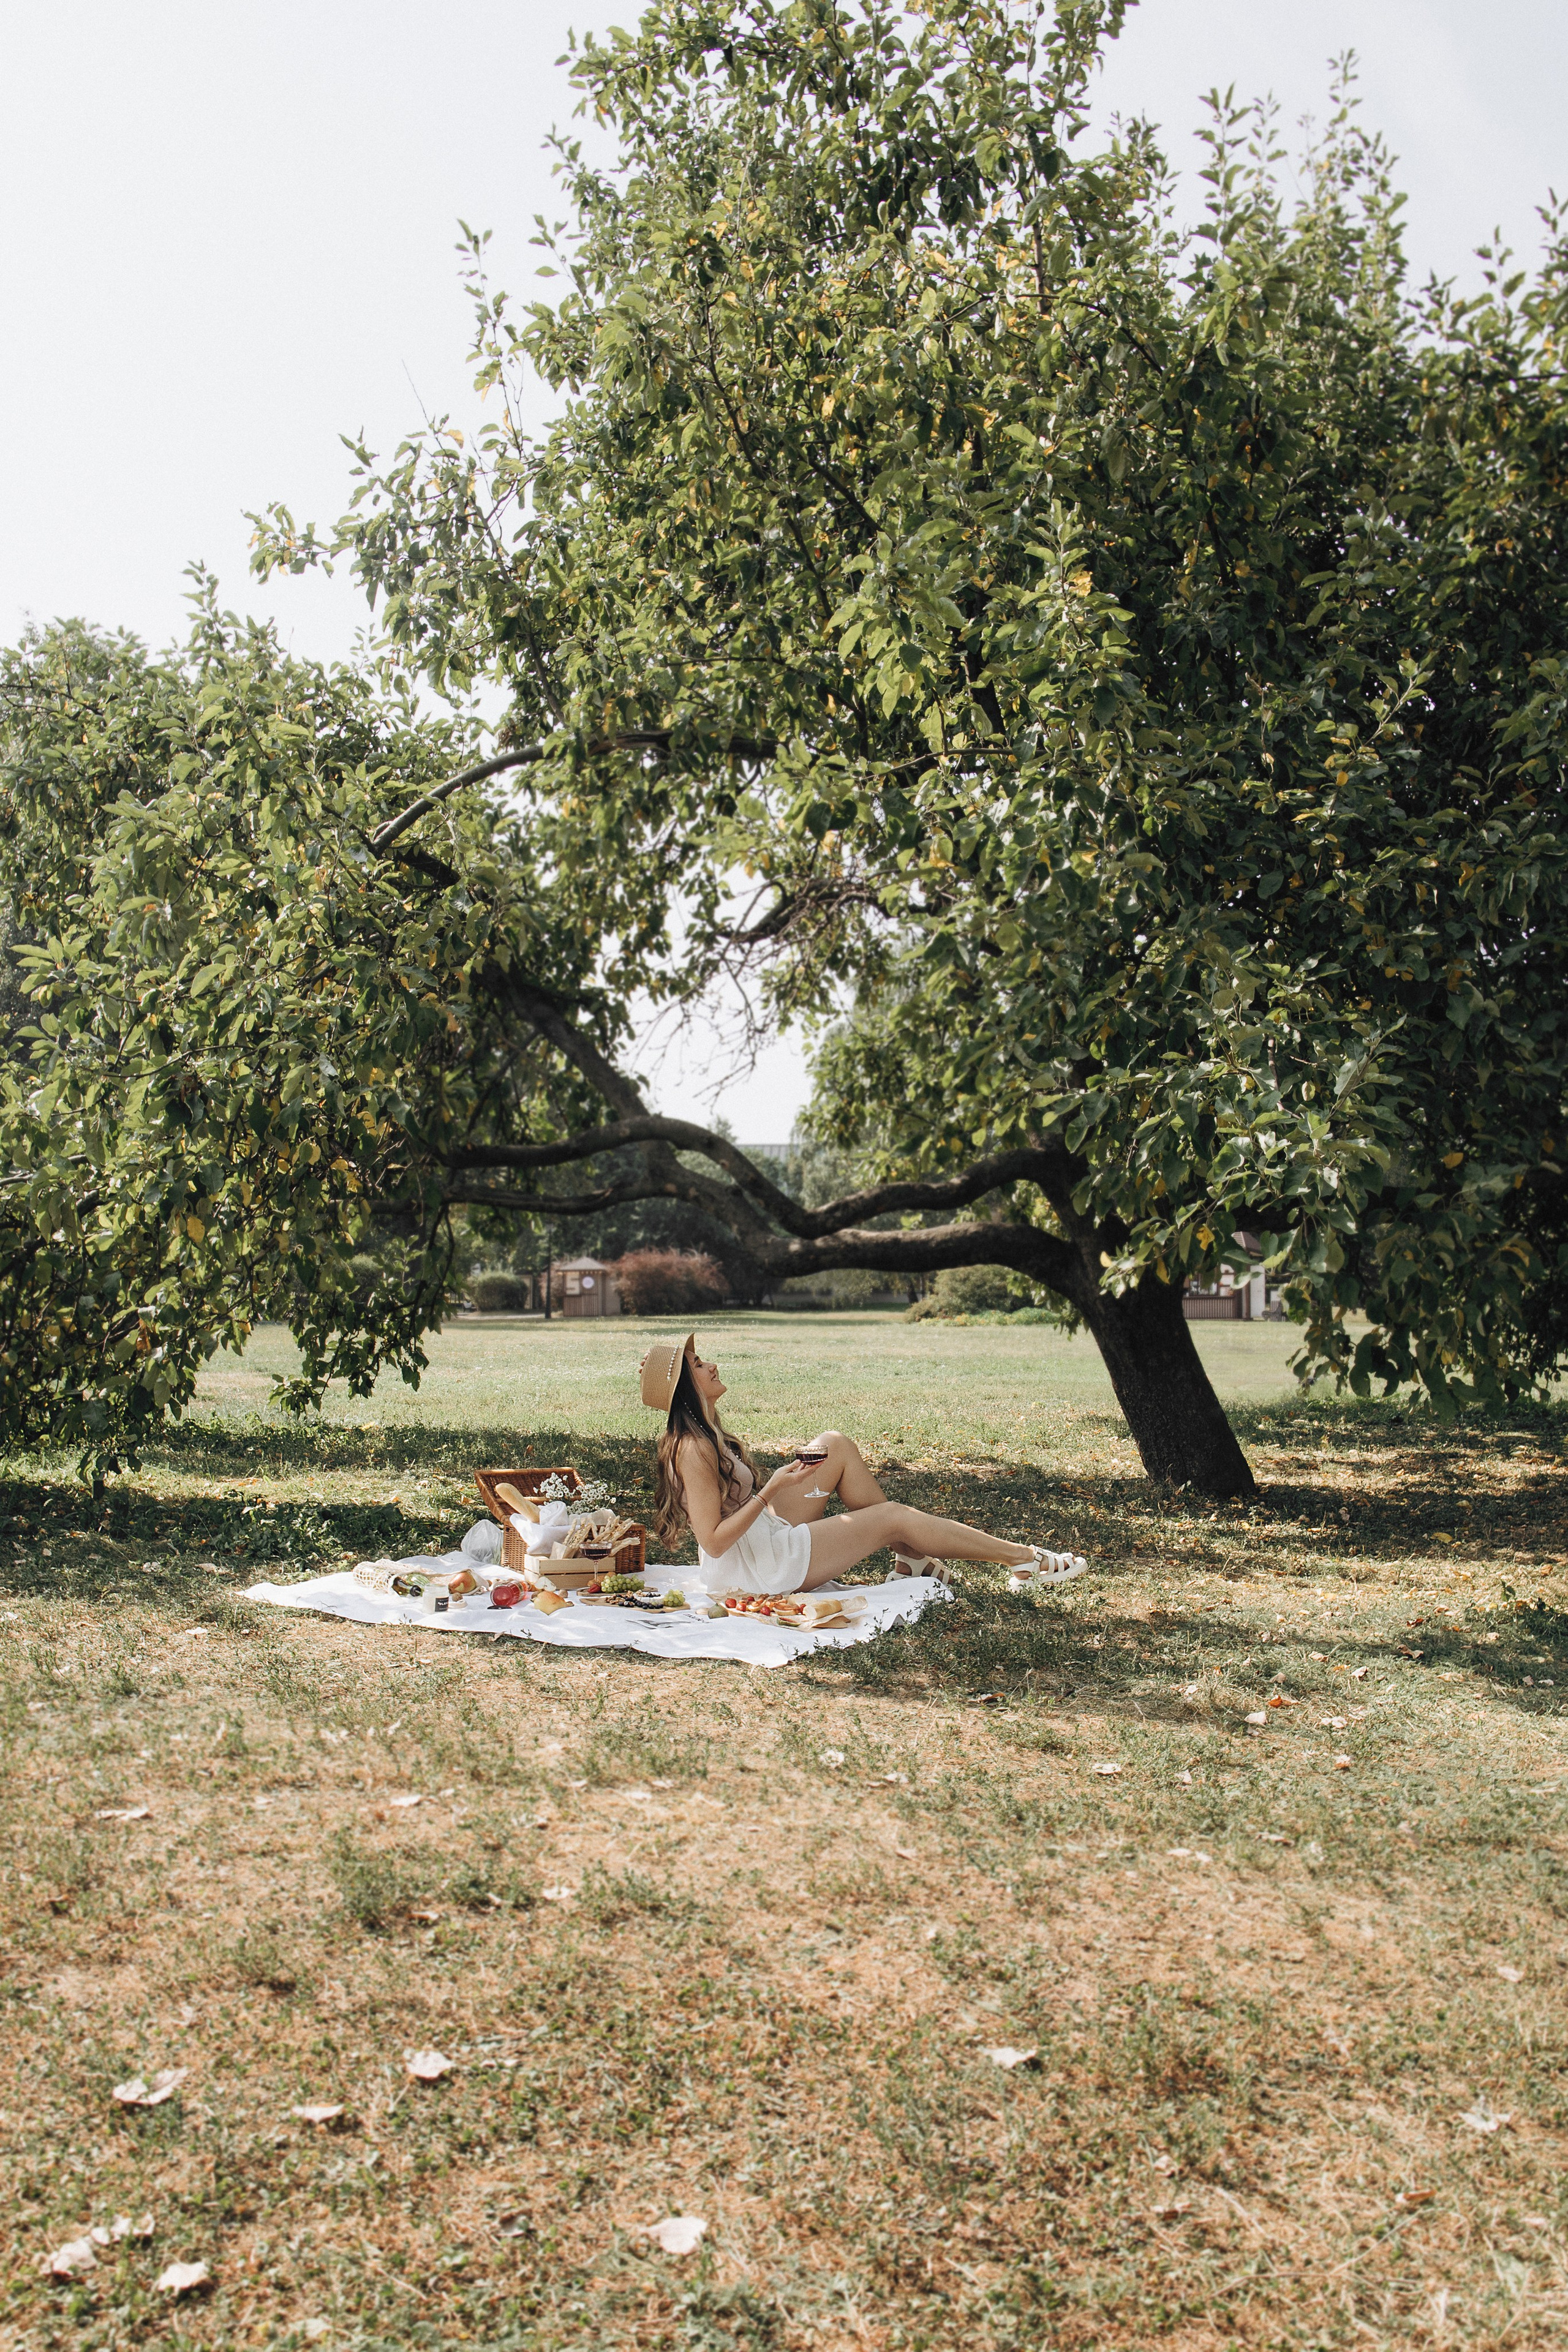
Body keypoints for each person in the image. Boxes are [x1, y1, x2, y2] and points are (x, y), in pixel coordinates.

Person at [640, 1332, 1088, 1597]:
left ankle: (911, 1558)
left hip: (763, 1539)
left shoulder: (707, 1430)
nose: (712, 1365)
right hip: (755, 1570)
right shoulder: (693, 1448)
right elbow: (714, 1543)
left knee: (832, 1445)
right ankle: (1025, 1560)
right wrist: (772, 1489)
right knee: (892, 1517)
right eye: (699, 1364)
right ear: (685, 1387)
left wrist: (780, 1487)